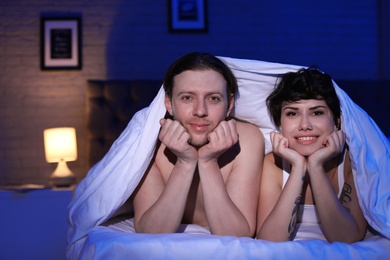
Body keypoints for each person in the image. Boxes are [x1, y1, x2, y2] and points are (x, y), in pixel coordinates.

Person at [131, 52, 264, 237]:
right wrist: (184, 163)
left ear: (230, 104)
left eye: (213, 98)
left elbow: (238, 234)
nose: (200, 111)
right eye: (187, 98)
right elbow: (150, 231)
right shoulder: (148, 142)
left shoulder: (247, 139)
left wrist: (208, 162)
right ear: (169, 103)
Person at [256, 66, 367, 243]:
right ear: (280, 125)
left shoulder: (353, 163)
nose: (305, 125)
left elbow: (346, 238)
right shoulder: (272, 163)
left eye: (317, 113)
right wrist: (298, 166)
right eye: (292, 113)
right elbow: (270, 240)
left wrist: (315, 167)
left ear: (336, 122)